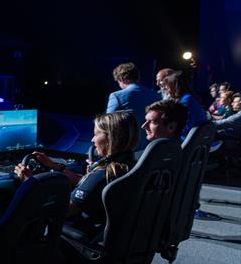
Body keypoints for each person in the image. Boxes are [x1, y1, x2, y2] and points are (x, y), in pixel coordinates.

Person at [16, 111, 139, 240]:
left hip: (81, 244)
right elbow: (88, 185)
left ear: (112, 138)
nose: (92, 140)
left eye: (96, 134)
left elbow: (55, 213)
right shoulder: (128, 167)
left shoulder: (102, 175)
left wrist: (29, 182)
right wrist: (55, 166)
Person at [105, 62, 159, 150]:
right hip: (151, 149)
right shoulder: (157, 95)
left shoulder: (117, 96)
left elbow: (106, 124)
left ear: (121, 78)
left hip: (127, 149)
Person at [159, 71, 207, 140]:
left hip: (191, 140)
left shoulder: (186, 100)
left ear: (174, 87)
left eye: (167, 88)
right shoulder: (189, 97)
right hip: (195, 138)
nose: (167, 91)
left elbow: (186, 127)